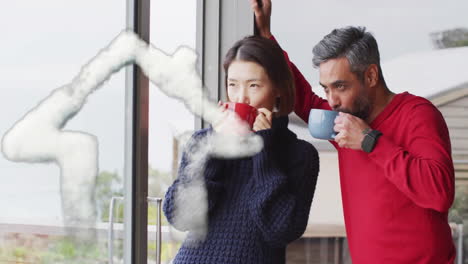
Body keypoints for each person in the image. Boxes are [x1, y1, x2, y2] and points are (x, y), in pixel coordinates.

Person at [251, 0, 456, 263]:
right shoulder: (344, 123)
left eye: (340, 86)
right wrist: (267, 37)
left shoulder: (417, 114)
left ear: (370, 76)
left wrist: (370, 141)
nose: (332, 100)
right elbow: (303, 97)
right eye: (326, 89)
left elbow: (440, 194)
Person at [163, 35, 320, 264]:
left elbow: (280, 230)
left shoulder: (300, 155)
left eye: (254, 86)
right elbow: (179, 216)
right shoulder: (203, 142)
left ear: (277, 89)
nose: (241, 97)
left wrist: (263, 150)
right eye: (232, 85)